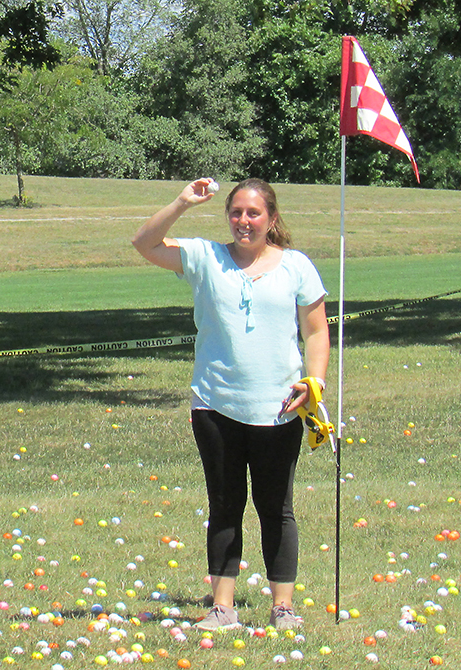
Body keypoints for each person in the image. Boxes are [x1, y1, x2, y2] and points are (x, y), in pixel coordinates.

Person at [132, 177, 329, 631]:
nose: (244, 221)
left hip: (280, 407)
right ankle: (222, 607)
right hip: (215, 404)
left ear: (272, 219)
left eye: (254, 213)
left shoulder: (297, 266)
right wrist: (183, 201)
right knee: (225, 503)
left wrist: (315, 383)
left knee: (275, 505)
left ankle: (283, 607)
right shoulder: (205, 258)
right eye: (236, 212)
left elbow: (316, 331)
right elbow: (144, 243)